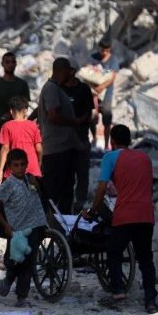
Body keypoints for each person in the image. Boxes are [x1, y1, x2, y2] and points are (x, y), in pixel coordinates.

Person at [84, 125, 158, 313]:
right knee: (146, 258)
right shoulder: (145, 158)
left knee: (114, 252)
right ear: (130, 141)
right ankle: (150, 300)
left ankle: (117, 289)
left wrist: (93, 210)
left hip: (125, 213)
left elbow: (101, 188)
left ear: (112, 142)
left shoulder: (110, 157)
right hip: (145, 213)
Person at [0, 149, 47, 307]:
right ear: (10, 166)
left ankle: (22, 296)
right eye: (16, 165)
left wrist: (37, 185)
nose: (20, 168)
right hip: (17, 230)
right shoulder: (8, 185)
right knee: (15, 261)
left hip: (34, 226)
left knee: (28, 262)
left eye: (23, 165)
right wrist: (5, 225)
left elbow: (40, 197)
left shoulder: (30, 180)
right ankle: (8, 279)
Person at [37, 57, 85, 214]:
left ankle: (62, 229)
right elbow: (53, 115)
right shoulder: (51, 89)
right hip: (57, 151)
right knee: (53, 192)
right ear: (61, 70)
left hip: (63, 149)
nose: (71, 74)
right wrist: (74, 122)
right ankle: (47, 227)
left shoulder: (56, 89)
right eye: (68, 71)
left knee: (66, 192)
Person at [63, 62, 95, 212]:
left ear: (73, 71)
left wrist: (78, 122)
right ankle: (66, 204)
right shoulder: (59, 88)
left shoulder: (83, 89)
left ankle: (80, 203)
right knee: (66, 175)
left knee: (82, 173)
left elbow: (89, 113)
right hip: (63, 141)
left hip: (81, 137)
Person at [0, 96, 42, 186]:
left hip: (14, 169)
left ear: (11, 111)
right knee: (33, 196)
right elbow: (39, 149)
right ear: (25, 110)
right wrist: (39, 165)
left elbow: (5, 149)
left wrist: (0, 171)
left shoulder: (7, 126)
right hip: (32, 169)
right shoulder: (33, 126)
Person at [90, 39, 118, 149]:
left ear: (109, 50)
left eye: (106, 51)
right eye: (102, 50)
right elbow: (89, 72)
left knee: (107, 118)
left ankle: (106, 145)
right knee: (92, 118)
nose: (104, 53)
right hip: (94, 94)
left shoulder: (113, 60)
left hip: (106, 95)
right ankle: (94, 138)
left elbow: (112, 77)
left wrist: (102, 87)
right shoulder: (93, 57)